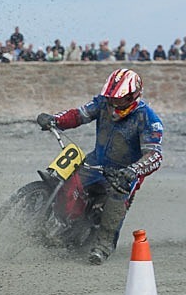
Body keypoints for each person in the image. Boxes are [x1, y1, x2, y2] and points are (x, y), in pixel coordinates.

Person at [36, 69, 163, 265]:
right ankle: (56, 218)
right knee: (67, 182)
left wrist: (133, 170)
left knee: (116, 200)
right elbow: (79, 115)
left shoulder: (148, 119)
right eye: (111, 98)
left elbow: (154, 155)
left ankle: (103, 246)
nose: (114, 103)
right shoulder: (103, 103)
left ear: (133, 95)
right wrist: (56, 120)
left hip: (124, 173)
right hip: (95, 161)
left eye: (119, 99)